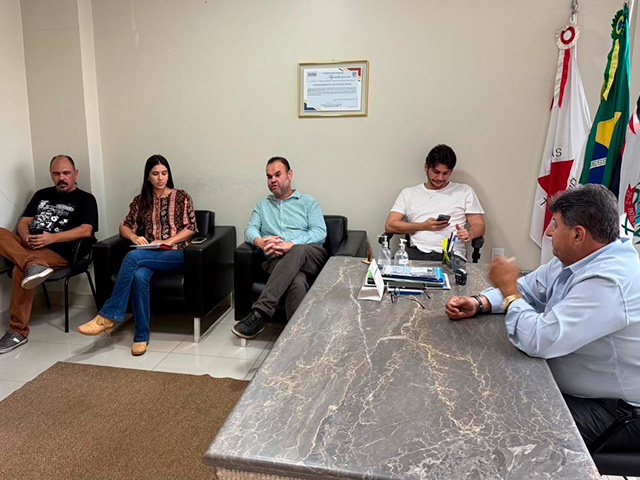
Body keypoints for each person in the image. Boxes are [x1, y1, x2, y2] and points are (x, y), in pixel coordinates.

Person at [445, 184, 640, 451]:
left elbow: (540, 339)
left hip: (614, 411)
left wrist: (509, 292)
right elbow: (528, 289)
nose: (548, 232)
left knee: (499, 431)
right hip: (572, 389)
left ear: (578, 235)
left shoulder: (609, 281)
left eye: (555, 224)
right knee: (484, 395)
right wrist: (480, 302)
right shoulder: (579, 258)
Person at [77, 155, 196, 356]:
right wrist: (134, 237)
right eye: (155, 174)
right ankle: (141, 336)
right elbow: (124, 226)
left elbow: (191, 227)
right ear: (148, 176)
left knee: (132, 258)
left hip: (177, 253)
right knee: (139, 276)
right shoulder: (141, 201)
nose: (160, 178)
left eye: (164, 173)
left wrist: (169, 240)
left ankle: (107, 316)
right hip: (150, 254)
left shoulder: (181, 197)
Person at [0, 155, 98, 353]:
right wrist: (25, 236)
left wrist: (51, 238)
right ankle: (32, 264)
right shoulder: (41, 194)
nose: (61, 178)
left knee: (21, 269)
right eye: (56, 173)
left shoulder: (86, 199)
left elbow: (86, 230)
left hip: (57, 251)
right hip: (29, 247)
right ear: (51, 175)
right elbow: (24, 221)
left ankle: (18, 332)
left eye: (66, 173)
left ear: (75, 173)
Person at [233, 156, 328, 340]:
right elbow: (250, 229)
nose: (273, 180)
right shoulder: (262, 206)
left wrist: (290, 244)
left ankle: (261, 312)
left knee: (297, 249)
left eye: (277, 175)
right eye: (269, 177)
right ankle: (296, 339)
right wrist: (260, 242)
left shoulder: (308, 202)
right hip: (277, 260)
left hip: (310, 255)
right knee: (297, 281)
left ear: (289, 174)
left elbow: (319, 232)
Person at [384, 144, 485, 261]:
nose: (440, 178)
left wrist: (470, 234)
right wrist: (423, 226)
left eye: (445, 173)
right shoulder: (408, 193)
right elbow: (390, 225)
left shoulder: (464, 191)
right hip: (416, 253)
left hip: (451, 255)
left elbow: (479, 225)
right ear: (426, 168)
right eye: (436, 172)